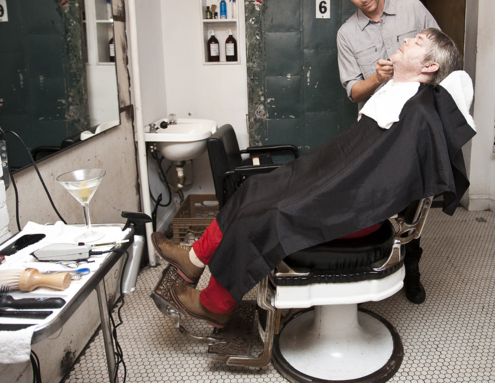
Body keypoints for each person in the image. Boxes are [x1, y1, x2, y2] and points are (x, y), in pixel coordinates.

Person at [152, 29, 474, 328]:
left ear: (429, 66)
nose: (406, 40)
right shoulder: (396, 93)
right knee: (255, 188)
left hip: (355, 212)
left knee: (267, 214)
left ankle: (215, 305)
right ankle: (194, 259)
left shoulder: (417, 112)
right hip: (342, 194)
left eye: (417, 42)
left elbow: (378, 184)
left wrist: (315, 194)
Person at [324, 0, 440, 304]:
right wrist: (376, 77)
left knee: (413, 200)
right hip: (378, 131)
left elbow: (442, 55)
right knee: (374, 199)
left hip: (416, 125)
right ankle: (369, 268)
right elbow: (354, 92)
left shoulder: (413, 9)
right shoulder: (347, 34)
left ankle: (412, 271)